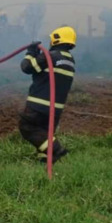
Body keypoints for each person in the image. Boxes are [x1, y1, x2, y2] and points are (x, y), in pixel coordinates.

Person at [19, 26, 76, 163]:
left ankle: (56, 149)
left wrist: (31, 52)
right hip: (55, 108)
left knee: (27, 127)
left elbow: (26, 67)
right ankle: (45, 163)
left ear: (56, 39)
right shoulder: (70, 60)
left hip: (38, 105)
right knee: (44, 134)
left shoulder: (51, 56)